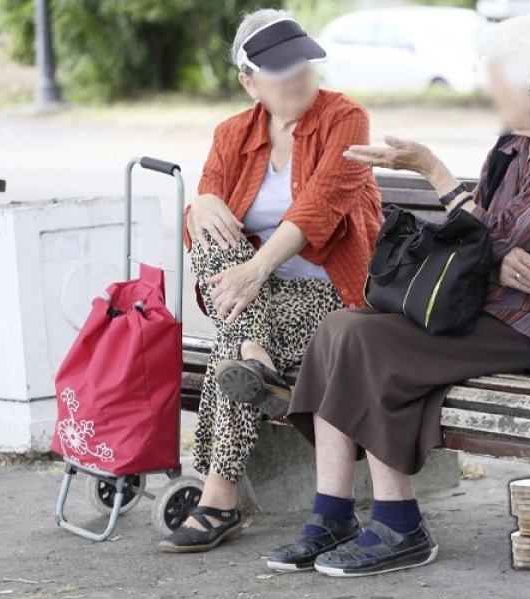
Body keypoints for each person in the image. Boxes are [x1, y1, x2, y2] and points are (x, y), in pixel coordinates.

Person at [266, 13, 530, 576]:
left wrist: (436, 174)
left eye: (496, 77)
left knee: (371, 346)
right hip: (483, 309)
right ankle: (332, 515)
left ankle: (401, 526)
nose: (490, 89)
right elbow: (482, 241)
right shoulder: (512, 148)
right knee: (339, 327)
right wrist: (495, 262)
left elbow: (494, 233)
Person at [159, 9, 382, 552]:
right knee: (206, 229)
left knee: (229, 347)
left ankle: (218, 499)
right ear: (248, 81)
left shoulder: (345, 118)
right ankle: (253, 353)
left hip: (337, 295)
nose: (298, 79)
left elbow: (317, 210)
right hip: (258, 299)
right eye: (281, 71)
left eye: (304, 66)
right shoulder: (232, 133)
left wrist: (255, 272)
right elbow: (209, 221)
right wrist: (199, 206)